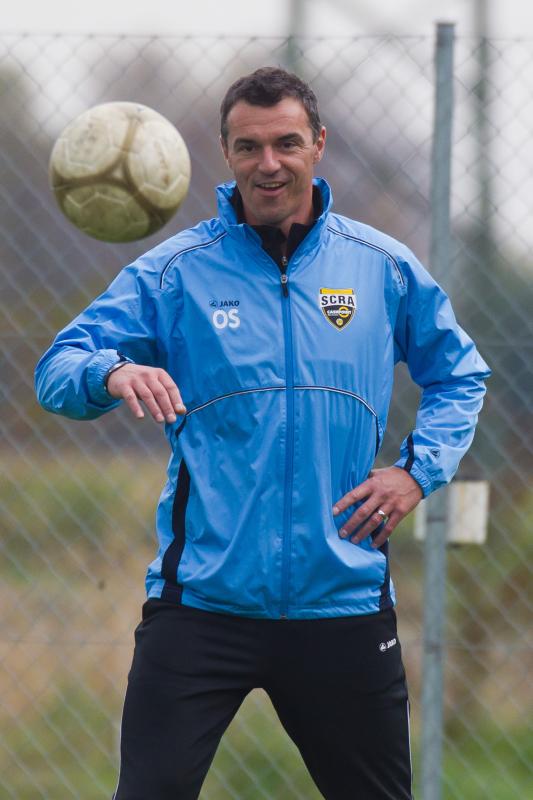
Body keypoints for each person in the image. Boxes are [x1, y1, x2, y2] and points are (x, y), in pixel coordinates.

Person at [35, 67, 490, 800]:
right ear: (225, 152)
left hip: (341, 600)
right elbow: (57, 368)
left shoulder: (381, 267)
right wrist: (112, 371)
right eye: (248, 147)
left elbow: (460, 374)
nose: (268, 164)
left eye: (286, 143)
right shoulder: (177, 272)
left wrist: (416, 471)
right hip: (202, 605)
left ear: (318, 144)